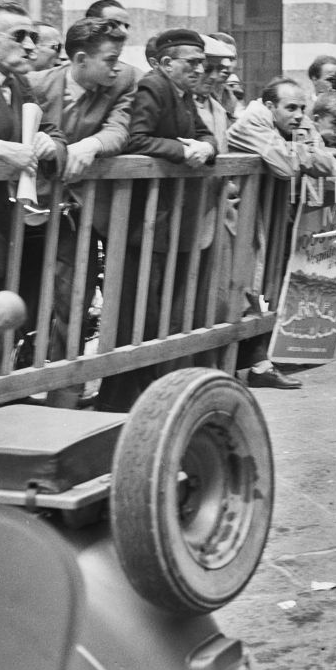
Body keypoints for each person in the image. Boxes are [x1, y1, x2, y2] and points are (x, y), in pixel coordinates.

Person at [97, 28, 218, 412]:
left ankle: (145, 397)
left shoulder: (183, 94)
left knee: (156, 314)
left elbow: (206, 135)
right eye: (192, 63)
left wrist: (205, 148)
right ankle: (117, 403)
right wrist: (182, 151)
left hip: (168, 223)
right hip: (145, 224)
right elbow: (137, 139)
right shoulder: (154, 86)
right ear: (166, 63)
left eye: (202, 63)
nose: (200, 70)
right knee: (136, 314)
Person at [27, 18, 136, 391]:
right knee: (22, 301)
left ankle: (65, 393)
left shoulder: (123, 80)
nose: (117, 66)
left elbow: (120, 129)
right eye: (109, 59)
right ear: (80, 59)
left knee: (73, 303)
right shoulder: (35, 84)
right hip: (31, 211)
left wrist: (91, 145)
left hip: (85, 212)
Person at [0, 3, 69, 365]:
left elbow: (51, 131)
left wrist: (50, 145)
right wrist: (1, 150)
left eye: (34, 37)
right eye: (19, 36)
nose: (30, 46)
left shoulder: (19, 82)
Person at [227, 78, 336, 389]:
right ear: (270, 106)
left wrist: (300, 149)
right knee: (239, 290)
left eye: (302, 108)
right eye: (290, 107)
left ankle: (260, 362)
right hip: (234, 218)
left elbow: (331, 166)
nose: (298, 115)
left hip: (265, 219)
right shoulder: (252, 120)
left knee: (254, 290)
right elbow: (286, 166)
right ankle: (247, 366)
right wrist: (303, 152)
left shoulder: (294, 124)